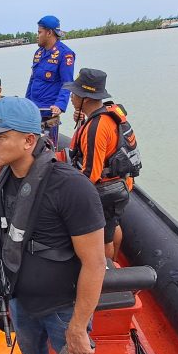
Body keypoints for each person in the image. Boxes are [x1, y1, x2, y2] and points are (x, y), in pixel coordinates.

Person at [0, 96, 106, 354]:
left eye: (0, 137)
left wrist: (78, 326)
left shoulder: (70, 188)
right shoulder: (0, 183)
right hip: (19, 298)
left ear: (29, 141)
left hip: (62, 308)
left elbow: (94, 263)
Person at [64, 68, 142, 260]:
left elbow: (91, 175)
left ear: (86, 98)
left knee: (103, 239)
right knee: (113, 225)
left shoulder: (96, 127)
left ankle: (106, 269)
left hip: (107, 191)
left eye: (75, 93)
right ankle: (114, 260)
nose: (71, 97)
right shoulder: (107, 113)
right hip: (122, 184)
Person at [25, 15, 75, 147]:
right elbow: (32, 80)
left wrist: (60, 105)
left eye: (39, 32)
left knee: (46, 152)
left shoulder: (65, 54)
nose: (37, 35)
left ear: (49, 33)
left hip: (49, 114)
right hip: (34, 113)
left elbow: (68, 83)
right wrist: (26, 103)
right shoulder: (38, 53)